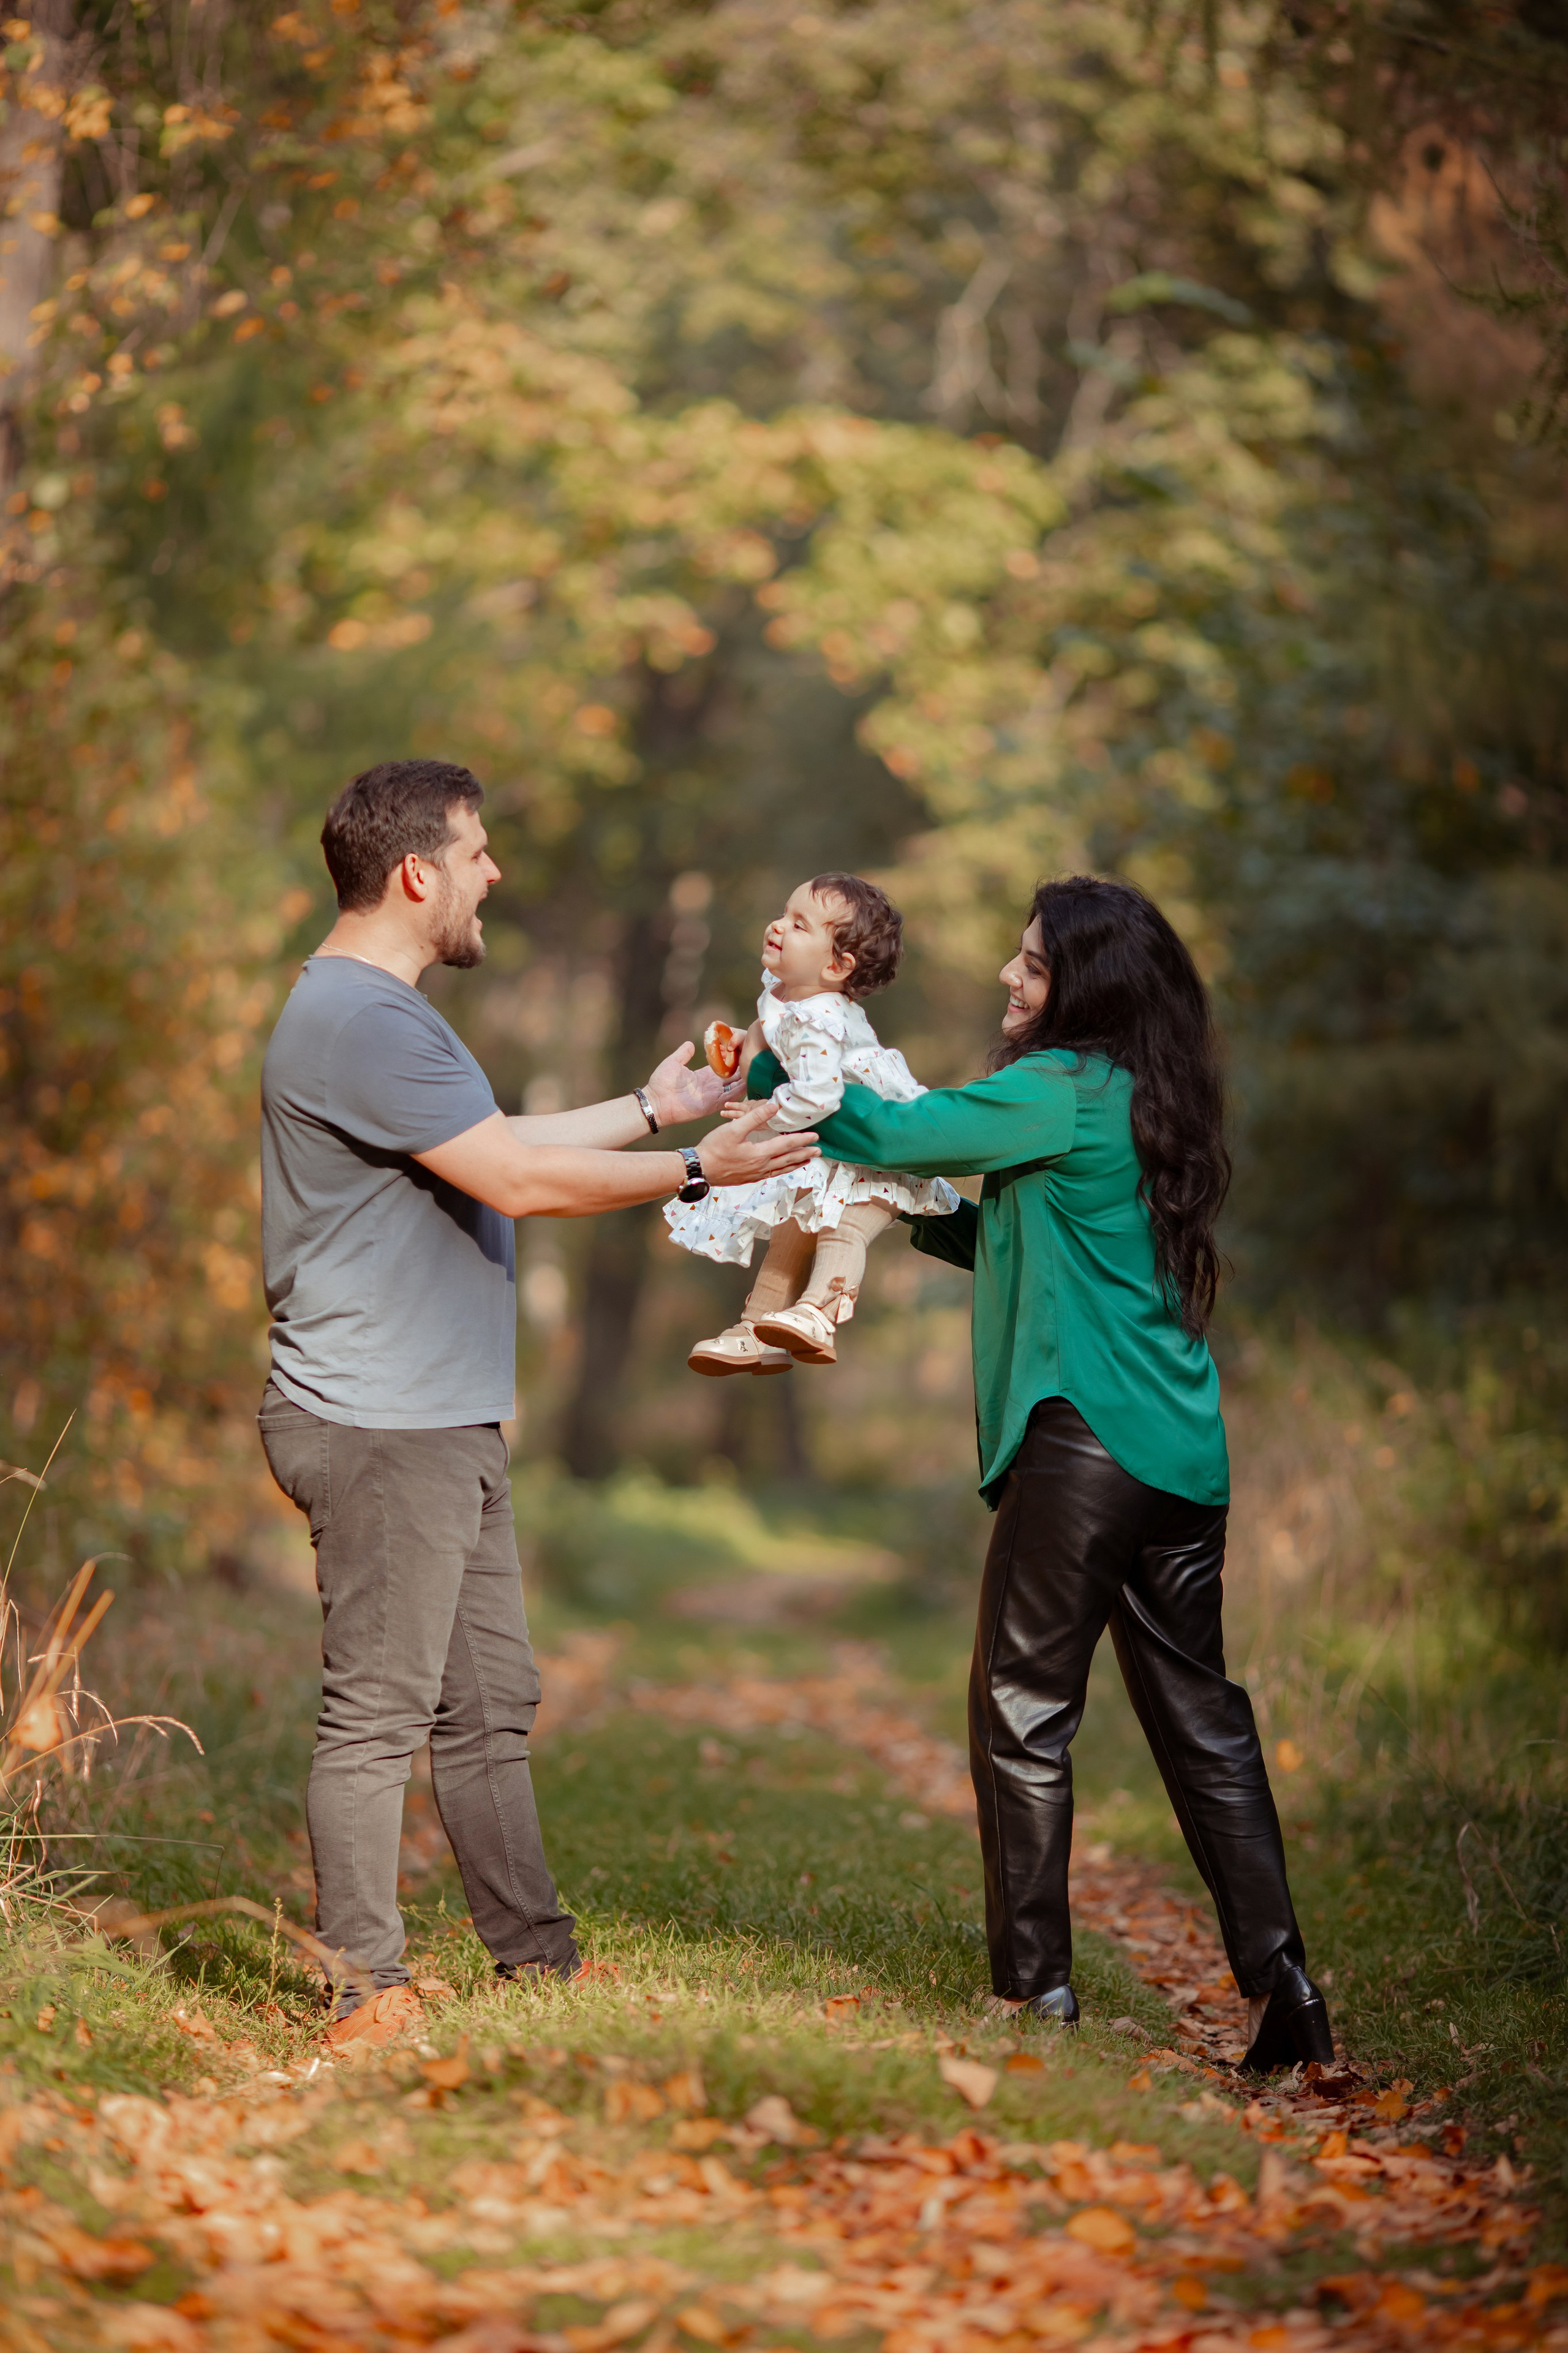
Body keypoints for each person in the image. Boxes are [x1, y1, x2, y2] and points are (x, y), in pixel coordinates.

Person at [258, 759, 818, 2050]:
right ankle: (363, 1991)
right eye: (478, 850)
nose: (492, 872)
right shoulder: (363, 1017)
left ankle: (535, 1964)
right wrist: (695, 1163)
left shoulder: (371, 1011)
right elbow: (514, 1181)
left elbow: (488, 1138)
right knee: (379, 1711)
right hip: (382, 1423)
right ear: (418, 873)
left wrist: (650, 1108)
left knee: (490, 1700)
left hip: (436, 1419)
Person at [741, 875, 1333, 2074]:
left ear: (1084, 988)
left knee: (1018, 1713)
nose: (1009, 981)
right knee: (1200, 1725)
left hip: (1082, 1447)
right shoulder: (1146, 1103)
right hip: (1179, 1458)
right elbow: (998, 1229)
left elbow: (891, 1130)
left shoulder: (1052, 1088)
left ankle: (1035, 1998)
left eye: (1031, 965)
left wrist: (762, 1071)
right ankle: (1288, 1993)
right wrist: (913, 1211)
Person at [668, 874, 958, 1375]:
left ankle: (821, 1311)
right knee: (790, 1231)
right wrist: (747, 1043)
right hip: (833, 1155)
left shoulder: (821, 1015)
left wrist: (765, 1112)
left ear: (836, 965)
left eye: (799, 925)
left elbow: (819, 1092)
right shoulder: (790, 996)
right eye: (784, 913)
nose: (777, 926)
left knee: (843, 1231)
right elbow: (789, 1051)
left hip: (878, 1155)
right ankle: (756, 1330)